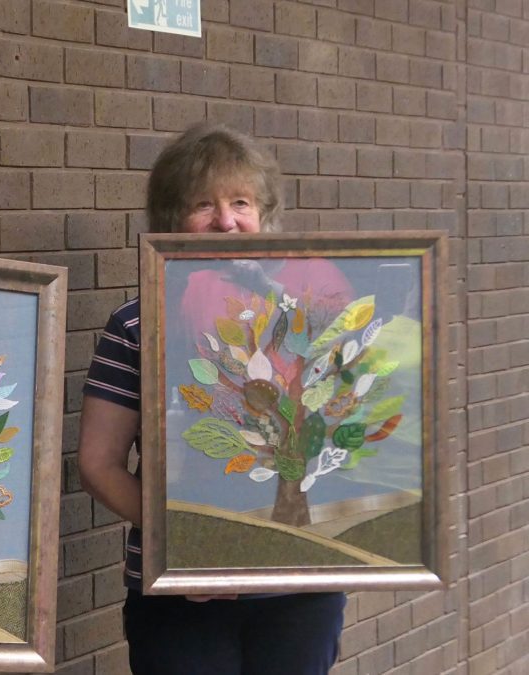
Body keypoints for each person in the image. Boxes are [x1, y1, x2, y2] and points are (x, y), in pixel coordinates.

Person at [77, 122, 347, 674]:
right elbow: (98, 464)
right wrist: (191, 547)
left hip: (298, 590)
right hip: (182, 595)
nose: (226, 220)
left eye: (241, 202)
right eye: (204, 204)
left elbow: (347, 435)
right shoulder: (136, 325)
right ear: (172, 220)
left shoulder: (312, 321)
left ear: (263, 216)